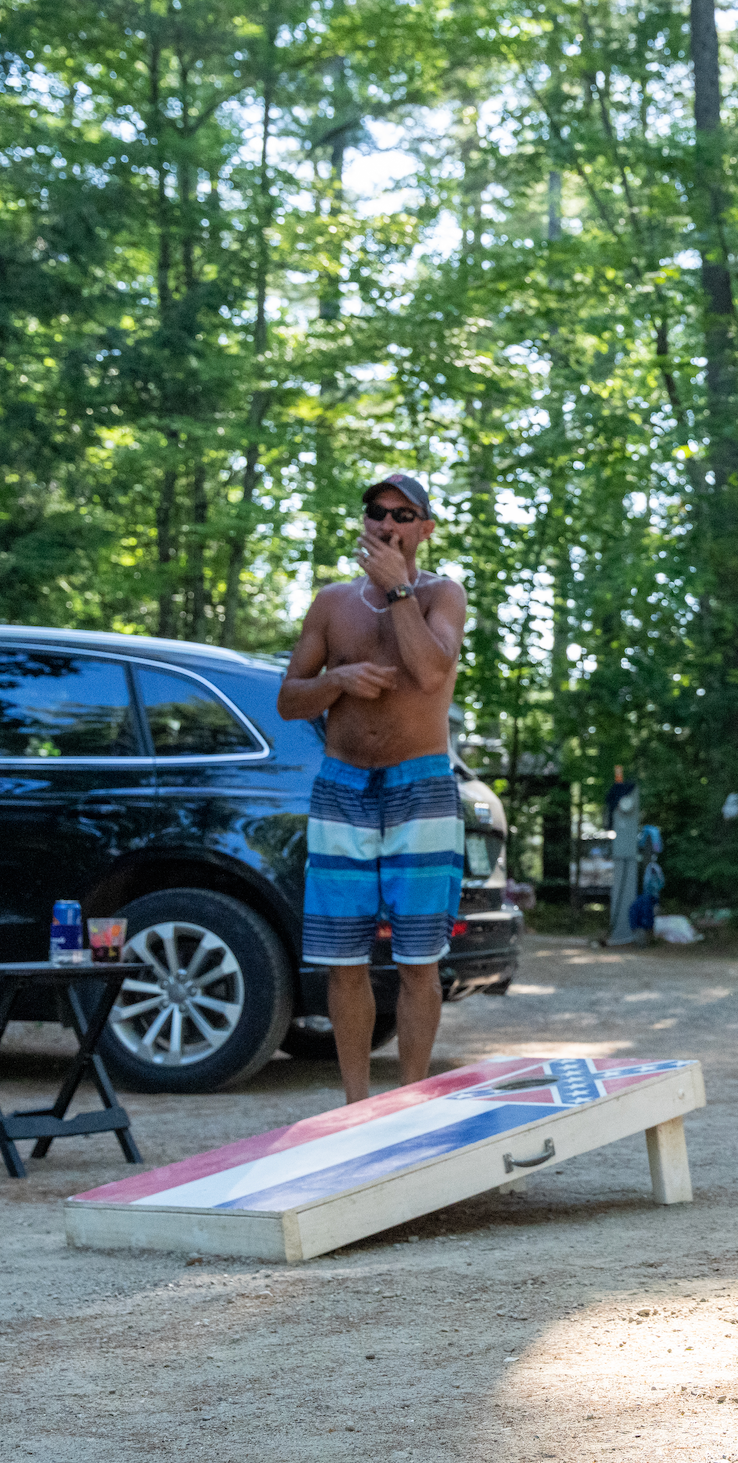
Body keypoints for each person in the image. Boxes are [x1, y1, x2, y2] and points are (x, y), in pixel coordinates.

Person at [278, 473, 468, 1106]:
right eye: (377, 512)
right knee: (343, 957)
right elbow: (287, 700)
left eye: (403, 514)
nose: (387, 523)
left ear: (424, 529)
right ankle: (357, 1105)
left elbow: (430, 668)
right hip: (343, 789)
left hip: (421, 787)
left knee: (418, 958)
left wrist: (398, 590)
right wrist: (338, 681)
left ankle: (409, 1103)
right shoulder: (331, 604)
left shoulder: (444, 594)